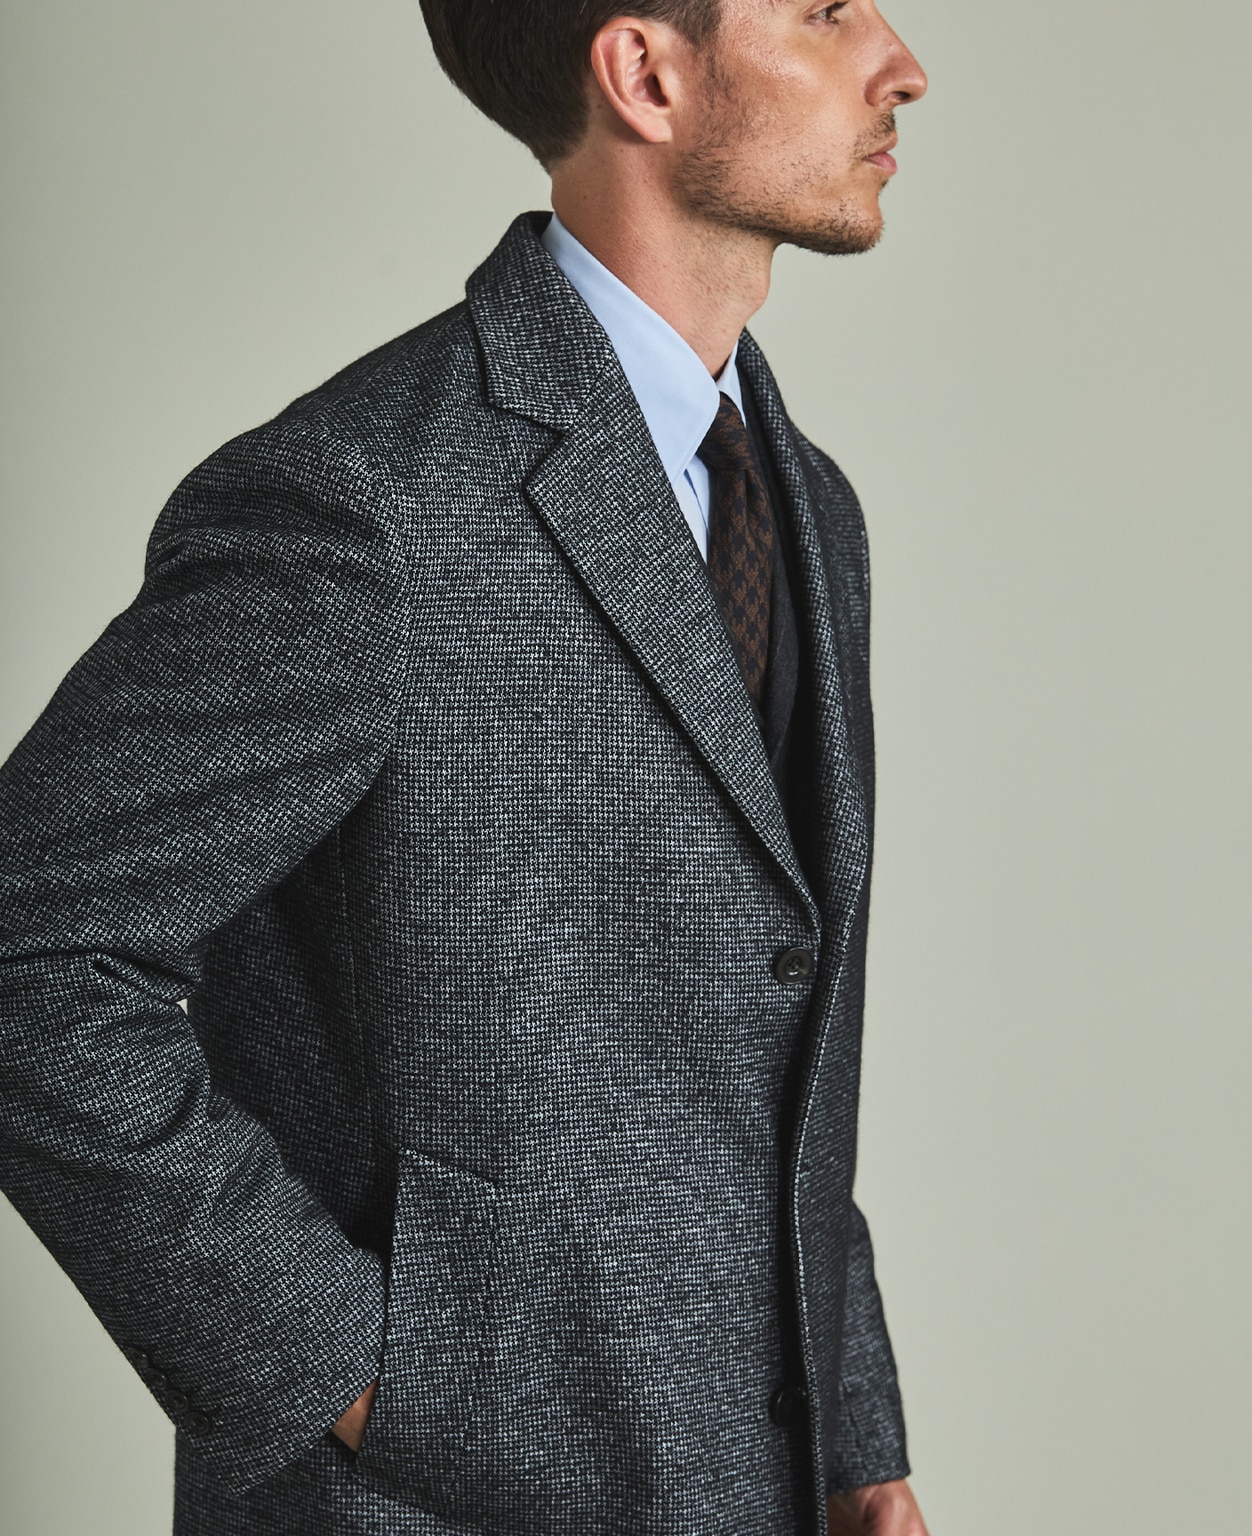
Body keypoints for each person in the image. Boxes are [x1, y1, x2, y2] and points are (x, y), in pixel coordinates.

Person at [0, 0, 929, 1531]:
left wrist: (855, 1447)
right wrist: (356, 1371)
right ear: (645, 72)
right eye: (826, 10)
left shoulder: (807, 507)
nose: (900, 63)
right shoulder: (367, 499)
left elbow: (771, 1020)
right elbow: (31, 946)